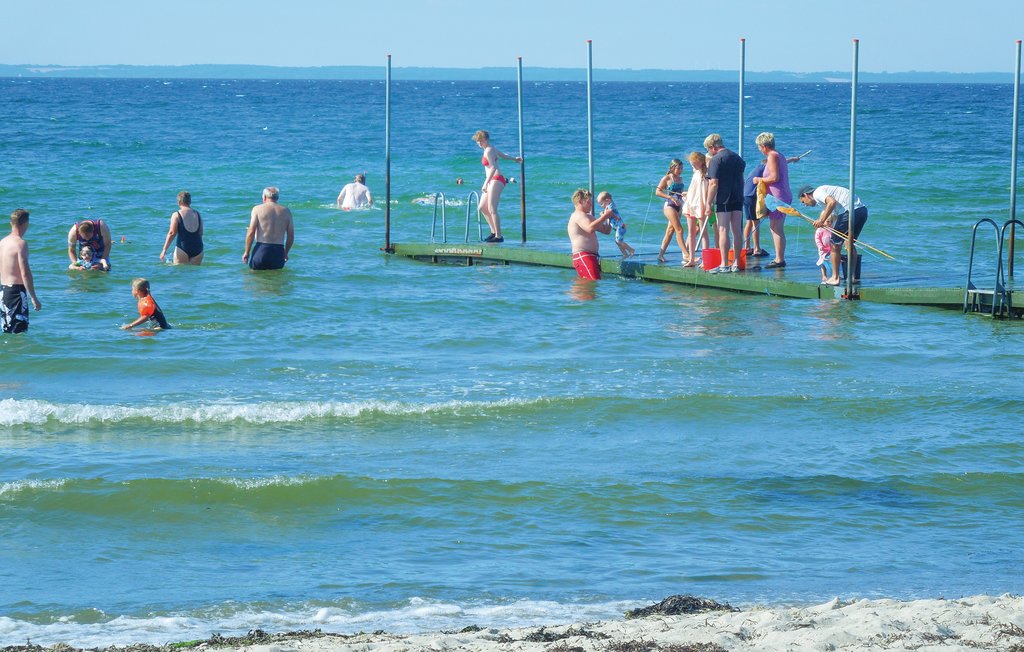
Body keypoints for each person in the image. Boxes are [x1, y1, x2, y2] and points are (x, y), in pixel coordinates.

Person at [798, 184, 869, 286]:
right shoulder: (823, 196)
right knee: (849, 243)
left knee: (834, 244)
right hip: (862, 211)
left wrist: (821, 220)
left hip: (849, 211)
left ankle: (835, 278)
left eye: (803, 201)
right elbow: (836, 214)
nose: (805, 205)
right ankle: (851, 277)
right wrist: (825, 225)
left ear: (806, 195)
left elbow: (832, 202)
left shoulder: (817, 193)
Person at [703, 134, 746, 273]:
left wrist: (708, 203)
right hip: (738, 196)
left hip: (723, 198)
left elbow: (713, 183)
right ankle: (737, 263)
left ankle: (724, 264)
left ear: (712, 147)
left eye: (708, 149)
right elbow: (742, 180)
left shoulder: (716, 160)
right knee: (737, 231)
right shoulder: (738, 159)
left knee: (723, 230)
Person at [472, 130, 522, 243]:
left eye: (480, 141)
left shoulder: (489, 150)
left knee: (491, 208)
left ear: (486, 139)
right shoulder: (490, 149)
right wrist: (515, 159)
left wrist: (485, 182)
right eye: (477, 141)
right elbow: (503, 156)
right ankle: (493, 232)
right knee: (482, 207)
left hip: (496, 179)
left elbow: (493, 167)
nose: (479, 143)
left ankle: (499, 236)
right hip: (492, 180)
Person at [751, 132, 792, 269]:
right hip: (779, 194)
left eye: (759, 147)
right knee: (774, 227)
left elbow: (775, 177)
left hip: (778, 196)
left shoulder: (773, 156)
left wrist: (759, 180)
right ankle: (779, 257)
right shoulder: (778, 155)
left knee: (776, 228)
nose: (759, 150)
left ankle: (780, 259)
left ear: (764, 146)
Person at [0, 209, 41, 333]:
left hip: (3, 291)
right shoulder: (21, 244)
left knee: (7, 329)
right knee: (19, 331)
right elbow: (25, 272)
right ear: (26, 223)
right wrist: (34, 298)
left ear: (11, 223)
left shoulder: (2, 242)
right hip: (16, 292)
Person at [243, 187, 294, 270]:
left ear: (264, 197)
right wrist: (285, 253)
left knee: (255, 279)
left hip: (261, 250)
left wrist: (246, 252)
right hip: (278, 252)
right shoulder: (286, 211)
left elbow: (251, 232)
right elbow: (291, 236)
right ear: (277, 198)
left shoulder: (257, 209)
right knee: (276, 280)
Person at [566, 188, 612, 280]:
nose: (591, 204)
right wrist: (604, 217)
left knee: (590, 285)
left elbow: (606, 230)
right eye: (588, 202)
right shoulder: (578, 215)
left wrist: (609, 218)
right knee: (592, 282)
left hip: (591, 256)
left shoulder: (588, 216)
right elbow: (589, 228)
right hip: (583, 255)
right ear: (580, 202)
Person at [655, 159, 690, 264]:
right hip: (669, 206)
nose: (680, 170)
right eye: (678, 168)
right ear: (672, 168)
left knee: (670, 231)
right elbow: (658, 191)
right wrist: (670, 198)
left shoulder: (680, 178)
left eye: (681, 168)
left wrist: (684, 194)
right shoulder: (667, 178)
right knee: (679, 230)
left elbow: (679, 193)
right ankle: (686, 254)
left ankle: (660, 255)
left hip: (678, 206)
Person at [682, 152, 711, 267]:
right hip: (691, 202)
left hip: (701, 203)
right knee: (691, 232)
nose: (692, 166)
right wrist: (688, 194)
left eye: (694, 164)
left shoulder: (706, 173)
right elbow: (694, 188)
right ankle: (692, 259)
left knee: (703, 232)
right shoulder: (695, 172)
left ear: (700, 162)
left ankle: (705, 260)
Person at [159, 191, 204, 265]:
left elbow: (172, 233)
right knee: (195, 273)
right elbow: (201, 233)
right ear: (190, 202)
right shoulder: (198, 214)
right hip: (198, 248)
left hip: (183, 248)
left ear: (178, 202)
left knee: (180, 272)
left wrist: (164, 250)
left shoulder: (176, 214)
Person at [742, 160, 769, 258]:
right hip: (751, 196)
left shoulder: (759, 167)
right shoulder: (765, 169)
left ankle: (747, 247)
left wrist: (792, 159)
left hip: (745, 195)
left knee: (749, 221)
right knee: (755, 222)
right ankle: (757, 249)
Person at [596, 191, 635, 259]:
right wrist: (604, 213)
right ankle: (625, 254)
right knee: (617, 242)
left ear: (608, 200)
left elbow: (610, 212)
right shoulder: (607, 207)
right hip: (618, 227)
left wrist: (604, 214)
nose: (601, 206)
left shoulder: (611, 205)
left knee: (618, 241)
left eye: (602, 203)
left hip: (620, 226)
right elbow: (608, 214)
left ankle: (631, 250)